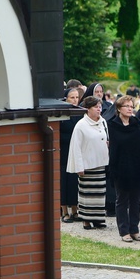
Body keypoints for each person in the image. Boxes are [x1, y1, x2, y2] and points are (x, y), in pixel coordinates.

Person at [66, 96, 109, 230]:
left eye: (100, 106)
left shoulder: (103, 122)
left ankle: (97, 219)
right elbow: (76, 148)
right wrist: (79, 166)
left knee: (99, 194)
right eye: (96, 107)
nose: (99, 109)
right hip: (87, 164)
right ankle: (86, 220)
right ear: (87, 109)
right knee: (86, 194)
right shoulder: (81, 125)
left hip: (100, 162)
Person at [107, 96, 140, 242]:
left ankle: (134, 228)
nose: (130, 109)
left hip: (136, 166)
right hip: (120, 167)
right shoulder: (112, 125)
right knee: (122, 199)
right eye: (127, 106)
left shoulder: (136, 123)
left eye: (131, 106)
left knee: (136, 200)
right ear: (118, 109)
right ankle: (124, 230)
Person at [60, 88, 83, 223]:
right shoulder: (62, 113)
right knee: (64, 181)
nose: (75, 100)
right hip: (64, 151)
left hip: (76, 152)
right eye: (72, 97)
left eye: (76, 97)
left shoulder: (80, 113)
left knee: (74, 182)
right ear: (66, 98)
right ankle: (65, 211)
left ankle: (75, 210)